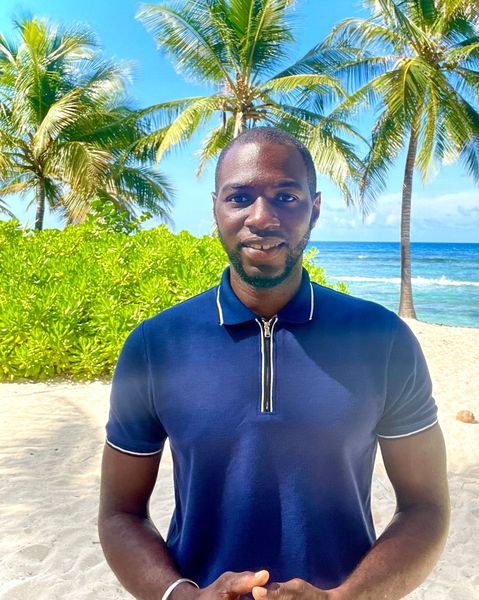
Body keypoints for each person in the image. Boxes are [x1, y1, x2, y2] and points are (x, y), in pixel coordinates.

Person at [98, 127, 450, 600]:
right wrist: (182, 596)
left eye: (286, 197)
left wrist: (344, 598)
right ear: (216, 209)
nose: (261, 218)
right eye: (240, 197)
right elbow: (121, 513)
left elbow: (425, 506)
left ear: (315, 209)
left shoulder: (382, 340)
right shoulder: (155, 344)